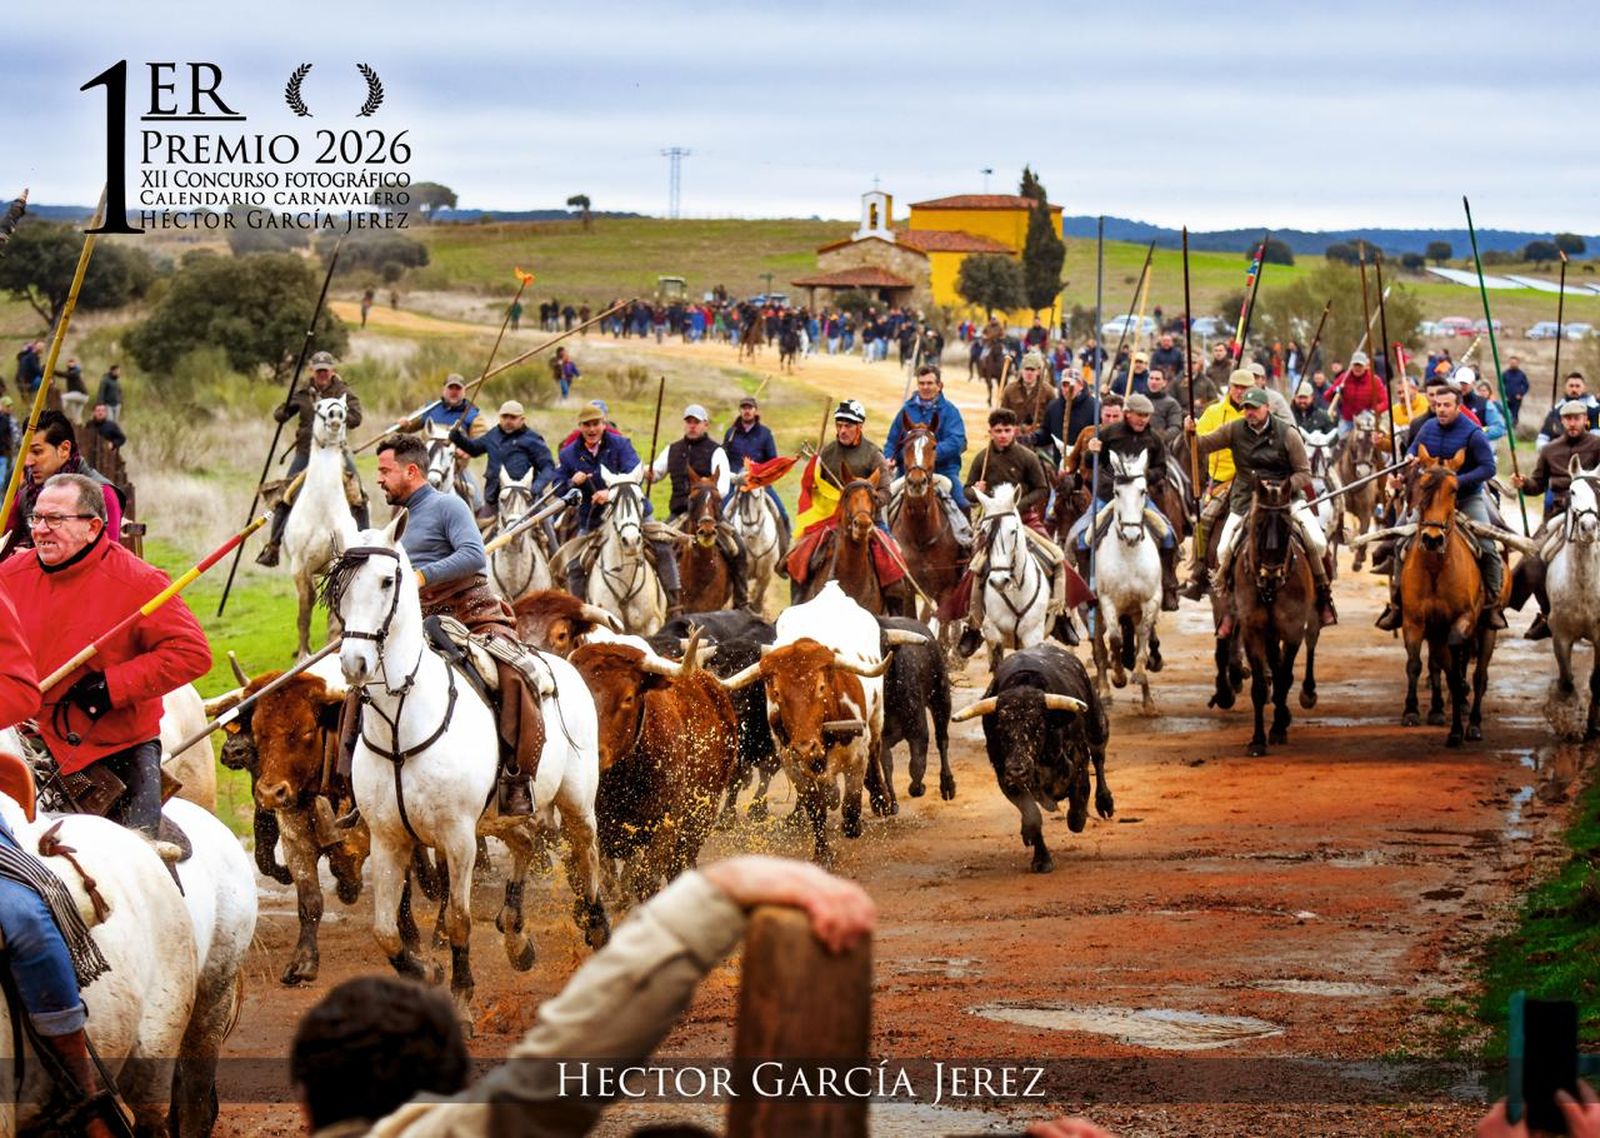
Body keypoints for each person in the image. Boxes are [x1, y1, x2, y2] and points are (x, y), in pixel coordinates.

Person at [289, 854, 873, 1137]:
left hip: (485, 635)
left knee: (511, 688)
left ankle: (516, 785)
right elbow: (544, 1086)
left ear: (305, 1104)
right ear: (450, 1088)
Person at [0, 473, 210, 835]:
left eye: (56, 520)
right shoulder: (8, 575)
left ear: (94, 527)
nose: (41, 529)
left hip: (115, 751)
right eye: (36, 518)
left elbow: (192, 653)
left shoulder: (140, 582)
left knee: (149, 865)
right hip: (24, 745)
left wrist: (111, 687)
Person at [372, 434, 542, 814]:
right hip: (416, 622)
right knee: (362, 684)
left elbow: (473, 555)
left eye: (385, 471)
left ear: (411, 471)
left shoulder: (448, 505)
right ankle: (355, 785)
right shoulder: (397, 520)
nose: (379, 479)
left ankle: (516, 778)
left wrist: (422, 575)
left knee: (512, 676)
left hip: (470, 614)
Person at [1186, 386, 1337, 633]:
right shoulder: (1234, 429)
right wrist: (1190, 433)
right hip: (1246, 498)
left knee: (1318, 542)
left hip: (1286, 499)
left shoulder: (1288, 433)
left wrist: (1285, 486)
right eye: (1246, 408)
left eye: (1255, 407)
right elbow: (1202, 446)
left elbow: (1305, 472)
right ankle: (1230, 609)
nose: (1250, 412)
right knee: (1224, 550)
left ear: (1267, 407)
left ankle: (1323, 597)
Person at [1375, 384, 1505, 632]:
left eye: (1447, 405)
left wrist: (1458, 481)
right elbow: (1414, 447)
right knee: (1401, 541)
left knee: (1488, 547)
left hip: (1466, 499)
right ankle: (1398, 605)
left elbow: (1489, 468)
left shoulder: (1473, 433)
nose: (1442, 409)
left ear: (1458, 407)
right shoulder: (1428, 427)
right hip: (1432, 501)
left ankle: (1493, 604)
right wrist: (1410, 457)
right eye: (1438, 405)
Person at [960, 408, 1080, 651]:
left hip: (1026, 519)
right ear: (990, 432)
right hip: (993, 524)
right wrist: (976, 489)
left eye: (1007, 430)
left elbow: (1042, 489)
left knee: (1057, 557)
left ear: (1014, 430)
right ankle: (973, 626)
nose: (1002, 435)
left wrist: (1013, 507)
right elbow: (966, 493)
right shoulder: (982, 458)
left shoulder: (1027, 457)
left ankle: (1061, 616)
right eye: (997, 431)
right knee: (974, 566)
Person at [557, 401, 684, 615]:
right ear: (580, 427)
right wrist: (572, 482)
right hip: (594, 517)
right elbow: (558, 488)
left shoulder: (621, 444)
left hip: (633, 510)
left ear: (603, 424)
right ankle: (578, 613)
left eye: (595, 424)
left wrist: (610, 492)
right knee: (575, 564)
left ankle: (675, 605)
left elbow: (634, 473)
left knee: (662, 547)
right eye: (586, 425)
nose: (591, 429)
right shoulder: (569, 454)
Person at [1068, 393, 1182, 611]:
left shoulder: (1154, 439)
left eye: (1147, 416)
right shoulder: (1108, 433)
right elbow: (1091, 464)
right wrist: (1091, 452)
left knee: (1168, 534)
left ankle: (1168, 584)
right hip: (1106, 496)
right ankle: (1086, 586)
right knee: (1082, 537)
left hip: (1138, 499)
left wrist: (1143, 479)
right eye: (1139, 414)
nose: (1143, 419)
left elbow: (1162, 468)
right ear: (1127, 414)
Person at [786, 400, 909, 600]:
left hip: (869, 521)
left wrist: (865, 503)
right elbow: (817, 481)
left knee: (894, 562)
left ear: (859, 427)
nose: (843, 430)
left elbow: (886, 492)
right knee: (799, 556)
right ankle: (797, 603)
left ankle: (893, 611)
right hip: (831, 519)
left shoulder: (874, 455)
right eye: (839, 425)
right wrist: (814, 485)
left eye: (848, 426)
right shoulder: (828, 452)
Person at [257, 351, 367, 567]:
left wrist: (340, 415)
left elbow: (357, 419)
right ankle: (273, 546)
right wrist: (285, 409)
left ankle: (364, 543)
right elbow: (280, 415)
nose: (322, 374)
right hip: (306, 453)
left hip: (337, 452)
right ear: (312, 371)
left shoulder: (343, 392)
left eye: (326, 370)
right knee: (285, 496)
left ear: (332, 370)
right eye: (318, 371)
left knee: (357, 494)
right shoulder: (303, 393)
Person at [1509, 398, 1600, 640]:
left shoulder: (1597, 445)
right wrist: (1524, 483)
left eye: (1577, 419)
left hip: (1593, 513)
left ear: (1585, 420)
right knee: (1531, 562)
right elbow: (1537, 485)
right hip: (1559, 514)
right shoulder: (1549, 450)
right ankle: (1547, 614)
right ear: (1561, 422)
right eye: (1568, 419)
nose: (1572, 423)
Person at [649, 405, 752, 610]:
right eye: (689, 422)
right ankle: (658, 597)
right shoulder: (673, 449)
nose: (692, 426)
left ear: (705, 425)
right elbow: (656, 473)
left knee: (738, 548)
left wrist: (705, 489)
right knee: (655, 548)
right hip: (679, 514)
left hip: (710, 515)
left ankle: (741, 601)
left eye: (697, 422)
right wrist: (646, 473)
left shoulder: (716, 451)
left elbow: (722, 487)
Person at [1, 411, 123, 561]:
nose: (28, 462)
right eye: (24, 453)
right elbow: (3, 543)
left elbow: (107, 559)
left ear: (64, 449)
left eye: (37, 452)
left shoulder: (103, 494)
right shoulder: (26, 495)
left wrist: (31, 560)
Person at [1180, 371, 1252, 600]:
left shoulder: (1257, 412)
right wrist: (1189, 432)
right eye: (1236, 386)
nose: (1239, 391)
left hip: (1251, 480)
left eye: (1244, 387)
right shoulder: (1214, 412)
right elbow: (1197, 444)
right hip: (1221, 483)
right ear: (1229, 387)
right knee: (1202, 523)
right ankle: (1199, 573)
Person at [886, 365, 971, 523]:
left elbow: (956, 441)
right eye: (921, 383)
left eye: (930, 383)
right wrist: (888, 457)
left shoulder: (950, 411)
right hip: (908, 473)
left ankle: (967, 544)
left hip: (944, 472)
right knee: (883, 502)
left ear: (939, 386)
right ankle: (883, 543)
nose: (925, 387)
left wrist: (926, 455)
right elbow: (892, 441)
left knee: (962, 504)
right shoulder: (906, 410)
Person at [450, 400, 557, 520]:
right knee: (477, 532)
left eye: (513, 417)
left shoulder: (533, 439)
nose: (508, 421)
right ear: (500, 417)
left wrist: (536, 487)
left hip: (526, 499)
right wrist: (457, 438)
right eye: (505, 416)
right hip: (494, 499)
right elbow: (474, 449)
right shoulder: (493, 435)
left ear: (522, 419)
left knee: (547, 528)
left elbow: (548, 467)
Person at [721, 395, 791, 548]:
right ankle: (722, 554)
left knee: (782, 514)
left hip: (760, 484)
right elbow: (723, 460)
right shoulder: (731, 433)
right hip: (735, 483)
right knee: (719, 515)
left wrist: (762, 477)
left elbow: (773, 461)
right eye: (744, 408)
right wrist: (733, 477)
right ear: (740, 410)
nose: (747, 411)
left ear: (755, 411)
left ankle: (784, 557)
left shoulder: (765, 434)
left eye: (749, 408)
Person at [1327, 351, 1389, 436]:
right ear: (1351, 366)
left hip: (1367, 422)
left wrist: (1373, 411)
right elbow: (1327, 395)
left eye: (1360, 365)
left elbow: (1385, 402)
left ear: (1366, 366)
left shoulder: (1375, 380)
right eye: (1355, 365)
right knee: (1341, 444)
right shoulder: (1344, 378)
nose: (1357, 368)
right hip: (1347, 420)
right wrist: (1336, 391)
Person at [1000, 351, 1055, 439]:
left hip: (1039, 439)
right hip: (1014, 437)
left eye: (1032, 370)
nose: (1029, 373)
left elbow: (1053, 419)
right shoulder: (1009, 390)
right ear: (1021, 370)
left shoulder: (1048, 391)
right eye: (1026, 369)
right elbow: (1002, 416)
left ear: (1038, 371)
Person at [1538, 373, 1600, 447]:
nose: (1574, 389)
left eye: (1577, 386)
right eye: (1571, 386)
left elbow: (1597, 436)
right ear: (1565, 388)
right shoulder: (1556, 410)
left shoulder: (1595, 409)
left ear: (1584, 388)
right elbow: (1543, 436)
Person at [1144, 368, 1185, 445]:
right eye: (1151, 378)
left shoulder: (1172, 404)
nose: (1153, 382)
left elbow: (1175, 427)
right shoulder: (1139, 400)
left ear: (1164, 383)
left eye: (1157, 379)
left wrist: (1158, 437)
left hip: (1160, 445)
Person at [1502, 354, 1530, 424]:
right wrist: (1504, 396)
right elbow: (1500, 385)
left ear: (1518, 363)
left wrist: (1521, 394)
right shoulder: (1505, 374)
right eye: (1511, 363)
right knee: (1507, 415)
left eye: (1515, 363)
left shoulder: (1521, 374)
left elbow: (1526, 385)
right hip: (1507, 399)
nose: (1513, 364)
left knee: (1514, 415)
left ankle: (1513, 430)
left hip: (1516, 399)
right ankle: (1507, 429)